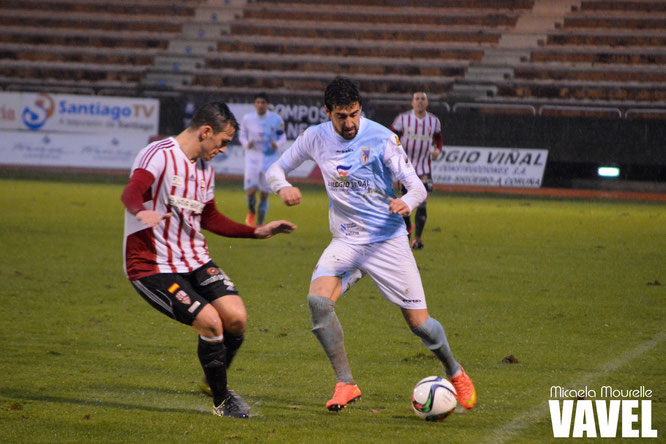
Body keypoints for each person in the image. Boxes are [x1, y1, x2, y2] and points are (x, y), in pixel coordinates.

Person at [265, 77, 476, 412]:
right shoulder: (314, 137)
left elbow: (416, 186)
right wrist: (281, 187)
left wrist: (407, 202)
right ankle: (346, 383)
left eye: (354, 114)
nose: (349, 123)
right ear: (327, 113)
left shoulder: (380, 137)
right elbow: (275, 168)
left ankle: (455, 370)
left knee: (420, 324)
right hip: (346, 241)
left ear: (360, 109)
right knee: (318, 303)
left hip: (387, 241)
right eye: (341, 116)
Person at [121, 102, 296, 418]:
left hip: (194, 259)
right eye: (223, 142)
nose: (224, 149)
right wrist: (140, 211)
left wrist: (257, 231)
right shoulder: (158, 155)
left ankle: (211, 375)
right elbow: (132, 191)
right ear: (205, 132)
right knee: (210, 321)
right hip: (151, 265)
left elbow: (210, 217)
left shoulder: (204, 168)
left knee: (236, 319)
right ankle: (222, 401)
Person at [389, 92, 443, 250]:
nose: (420, 102)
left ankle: (417, 240)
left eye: (423, 99)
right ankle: (408, 228)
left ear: (427, 103)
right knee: (405, 205)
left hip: (424, 169)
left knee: (423, 204)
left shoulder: (434, 121)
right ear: (412, 103)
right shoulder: (403, 119)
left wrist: (438, 150)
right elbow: (391, 137)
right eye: (417, 99)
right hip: (406, 170)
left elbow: (439, 138)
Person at [239, 93, 287, 227]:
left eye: (263, 102)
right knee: (251, 191)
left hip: (269, 158)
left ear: (267, 105)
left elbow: (282, 137)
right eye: (258, 102)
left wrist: (276, 144)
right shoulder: (247, 119)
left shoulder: (276, 119)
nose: (260, 105)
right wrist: (246, 143)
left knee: (265, 193)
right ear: (255, 104)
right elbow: (242, 135)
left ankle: (260, 224)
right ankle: (251, 212)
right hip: (252, 158)